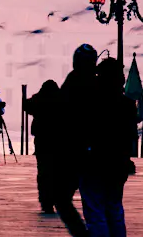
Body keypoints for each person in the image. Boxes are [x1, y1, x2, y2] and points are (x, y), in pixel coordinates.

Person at [78, 57, 136, 237]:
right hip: (118, 164)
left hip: (93, 162)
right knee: (114, 208)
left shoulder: (90, 102)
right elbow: (130, 137)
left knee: (95, 211)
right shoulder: (127, 105)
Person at [54, 44, 98, 237]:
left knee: (63, 198)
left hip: (73, 150)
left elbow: (63, 115)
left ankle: (83, 233)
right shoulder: (97, 84)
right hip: (89, 149)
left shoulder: (72, 83)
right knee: (96, 200)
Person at [24, 79, 62, 214]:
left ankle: (45, 201)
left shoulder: (38, 100)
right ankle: (56, 199)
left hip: (42, 140)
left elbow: (27, 105)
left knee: (44, 171)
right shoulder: (60, 100)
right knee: (57, 172)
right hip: (58, 141)